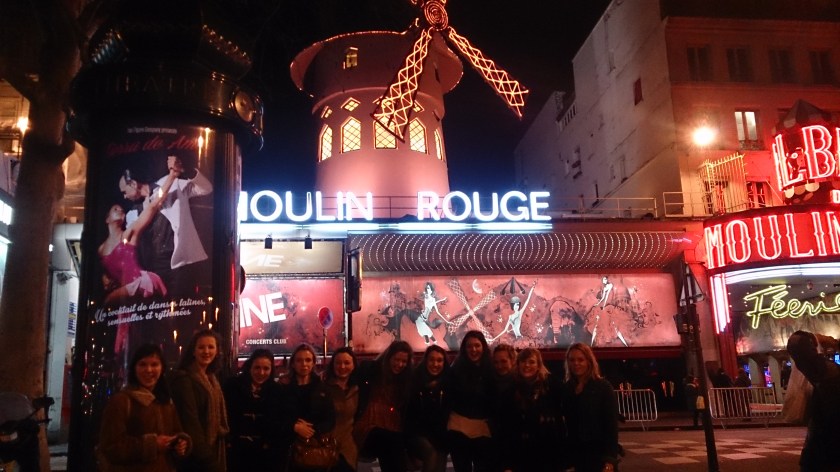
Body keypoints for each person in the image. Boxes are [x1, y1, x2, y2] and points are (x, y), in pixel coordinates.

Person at [120, 154, 213, 296]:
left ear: (133, 183)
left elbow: (205, 189)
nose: (124, 197)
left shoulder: (173, 184)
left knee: (183, 303)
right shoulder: (132, 213)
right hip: (154, 267)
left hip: (180, 261)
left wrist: (186, 171)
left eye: (124, 192)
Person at [98, 344, 190, 472]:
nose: (148, 370)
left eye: (154, 364)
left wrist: (180, 444)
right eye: (142, 364)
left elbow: (177, 432)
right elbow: (111, 447)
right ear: (134, 369)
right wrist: (153, 444)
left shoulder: (166, 401)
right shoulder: (121, 401)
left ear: (162, 368)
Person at [99, 166, 178, 305]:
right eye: (115, 209)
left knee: (108, 300)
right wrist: (106, 278)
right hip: (126, 289)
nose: (120, 210)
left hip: (141, 282)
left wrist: (172, 175)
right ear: (107, 219)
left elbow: (154, 205)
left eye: (121, 209)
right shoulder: (101, 249)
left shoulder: (129, 234)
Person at [170, 329, 229, 472]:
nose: (206, 351)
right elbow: (190, 422)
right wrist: (208, 460)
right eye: (201, 347)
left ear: (217, 351)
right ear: (193, 351)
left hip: (212, 448)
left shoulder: (212, 378)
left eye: (211, 347)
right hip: (196, 455)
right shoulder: (184, 379)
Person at [499, 348, 564, 472]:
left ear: (539, 365)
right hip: (521, 455)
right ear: (517, 365)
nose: (527, 365)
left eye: (531, 362)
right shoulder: (510, 391)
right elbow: (506, 430)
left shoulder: (553, 387)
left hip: (549, 454)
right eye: (523, 361)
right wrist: (507, 464)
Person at [354, 340, 413, 472]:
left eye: (404, 361)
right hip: (367, 426)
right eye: (396, 359)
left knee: (391, 447)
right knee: (392, 441)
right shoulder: (372, 370)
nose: (400, 364)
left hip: (392, 428)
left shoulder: (405, 381)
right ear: (388, 357)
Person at [223, 349, 284, 472]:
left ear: (271, 370)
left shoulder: (277, 391)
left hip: (265, 454)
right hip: (236, 451)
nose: (261, 372)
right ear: (250, 367)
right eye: (257, 367)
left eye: (266, 368)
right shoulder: (232, 386)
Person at [786, 330, 840, 472]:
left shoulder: (830, 371)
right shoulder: (831, 371)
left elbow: (797, 345)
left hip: (824, 446)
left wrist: (816, 338)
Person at [563, 342, 620, 472]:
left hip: (598, 453)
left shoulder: (603, 387)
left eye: (580, 359)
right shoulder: (567, 388)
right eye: (572, 360)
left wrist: (610, 459)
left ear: (589, 361)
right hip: (577, 454)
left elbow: (611, 426)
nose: (576, 363)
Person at [445, 330, 496, 472]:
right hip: (458, 427)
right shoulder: (456, 369)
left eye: (477, 345)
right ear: (464, 348)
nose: (473, 350)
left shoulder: (492, 369)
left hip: (482, 429)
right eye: (469, 346)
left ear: (483, 347)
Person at [281, 343, 336, 472]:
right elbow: (277, 416)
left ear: (313, 363)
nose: (304, 364)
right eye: (299, 360)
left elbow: (330, 419)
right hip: (289, 450)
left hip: (315, 450)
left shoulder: (322, 388)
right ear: (293, 364)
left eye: (308, 360)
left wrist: (311, 430)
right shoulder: (284, 388)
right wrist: (295, 427)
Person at [406, 345, 450, 472]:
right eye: (431, 360)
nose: (435, 364)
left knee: (440, 453)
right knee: (431, 453)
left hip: (440, 434)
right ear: (425, 361)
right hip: (417, 433)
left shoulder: (448, 383)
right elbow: (410, 417)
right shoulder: (415, 381)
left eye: (439, 360)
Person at [323, 347, 360, 472]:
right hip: (324, 446)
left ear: (354, 365)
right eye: (338, 363)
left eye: (347, 363)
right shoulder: (323, 388)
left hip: (348, 446)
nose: (342, 366)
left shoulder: (358, 389)